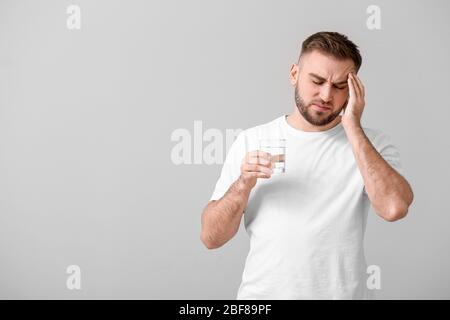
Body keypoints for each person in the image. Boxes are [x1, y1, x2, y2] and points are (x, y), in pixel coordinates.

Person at [200, 31, 414, 299]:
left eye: (339, 86)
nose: (326, 95)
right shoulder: (252, 140)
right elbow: (211, 237)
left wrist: (352, 127)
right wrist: (242, 184)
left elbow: (394, 207)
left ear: (354, 89)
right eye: (317, 81)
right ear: (294, 75)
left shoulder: (372, 146)